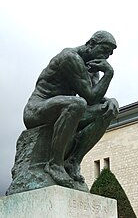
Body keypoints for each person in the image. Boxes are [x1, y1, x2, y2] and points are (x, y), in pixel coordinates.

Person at [23, 30, 119, 188]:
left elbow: (95, 97)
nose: (105, 57)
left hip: (67, 109)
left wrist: (111, 101)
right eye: (104, 51)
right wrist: (108, 74)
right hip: (37, 110)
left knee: (107, 110)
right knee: (77, 104)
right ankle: (55, 164)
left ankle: (73, 161)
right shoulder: (70, 57)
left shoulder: (91, 68)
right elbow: (90, 97)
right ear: (91, 44)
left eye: (109, 54)